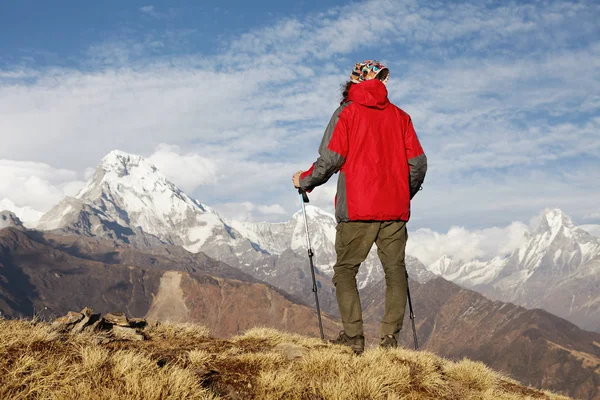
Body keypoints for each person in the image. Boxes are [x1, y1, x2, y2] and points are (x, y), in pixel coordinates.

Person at [292, 60, 427, 354]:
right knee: (395, 272)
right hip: (394, 212)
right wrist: (404, 193)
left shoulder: (347, 113)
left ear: (353, 82)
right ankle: (390, 342)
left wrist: (305, 181)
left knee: (344, 271)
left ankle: (353, 338)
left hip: (357, 209)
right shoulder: (401, 117)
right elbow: (418, 163)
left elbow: (331, 159)